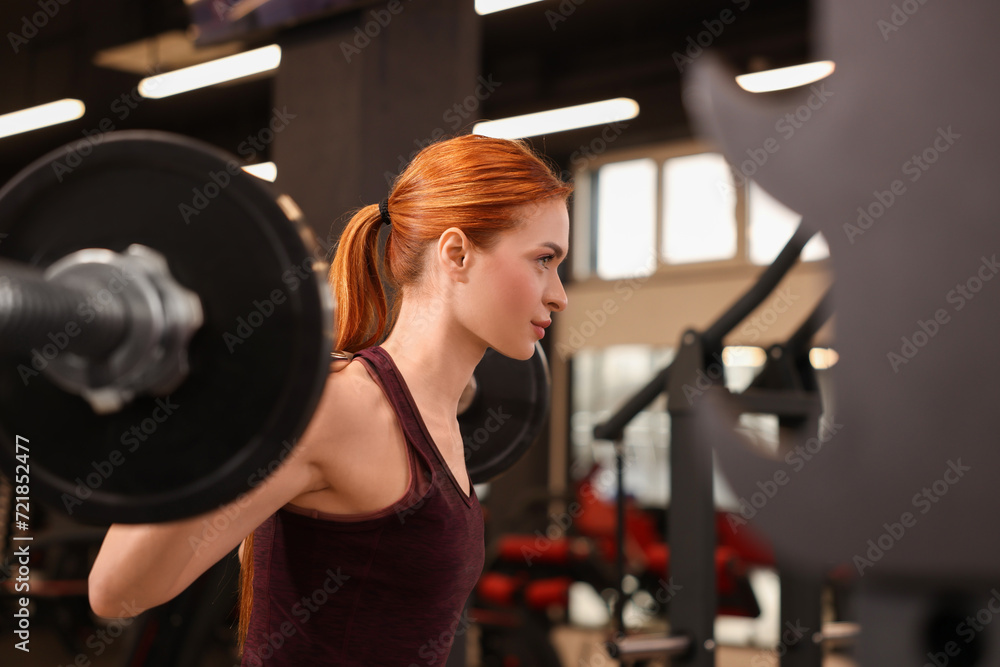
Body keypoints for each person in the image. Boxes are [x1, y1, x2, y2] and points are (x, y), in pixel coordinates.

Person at [87, 133, 572, 666]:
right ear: (456, 253)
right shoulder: (341, 408)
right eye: (543, 260)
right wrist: (215, 407)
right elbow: (116, 591)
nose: (559, 294)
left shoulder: (442, 420)